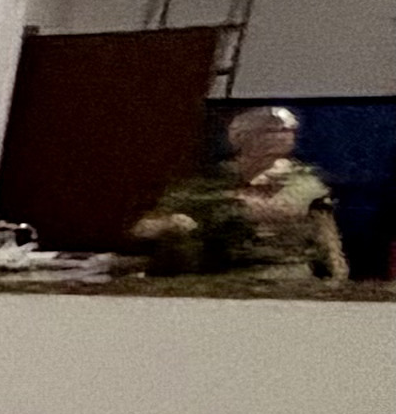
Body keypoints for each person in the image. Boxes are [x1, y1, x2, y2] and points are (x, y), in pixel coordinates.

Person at [135, 105, 351, 282]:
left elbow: (328, 240)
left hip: (287, 280)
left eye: (288, 130)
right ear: (242, 137)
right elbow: (144, 228)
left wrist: (337, 279)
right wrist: (171, 224)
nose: (283, 136)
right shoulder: (208, 182)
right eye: (272, 130)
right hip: (220, 280)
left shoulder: (307, 185)